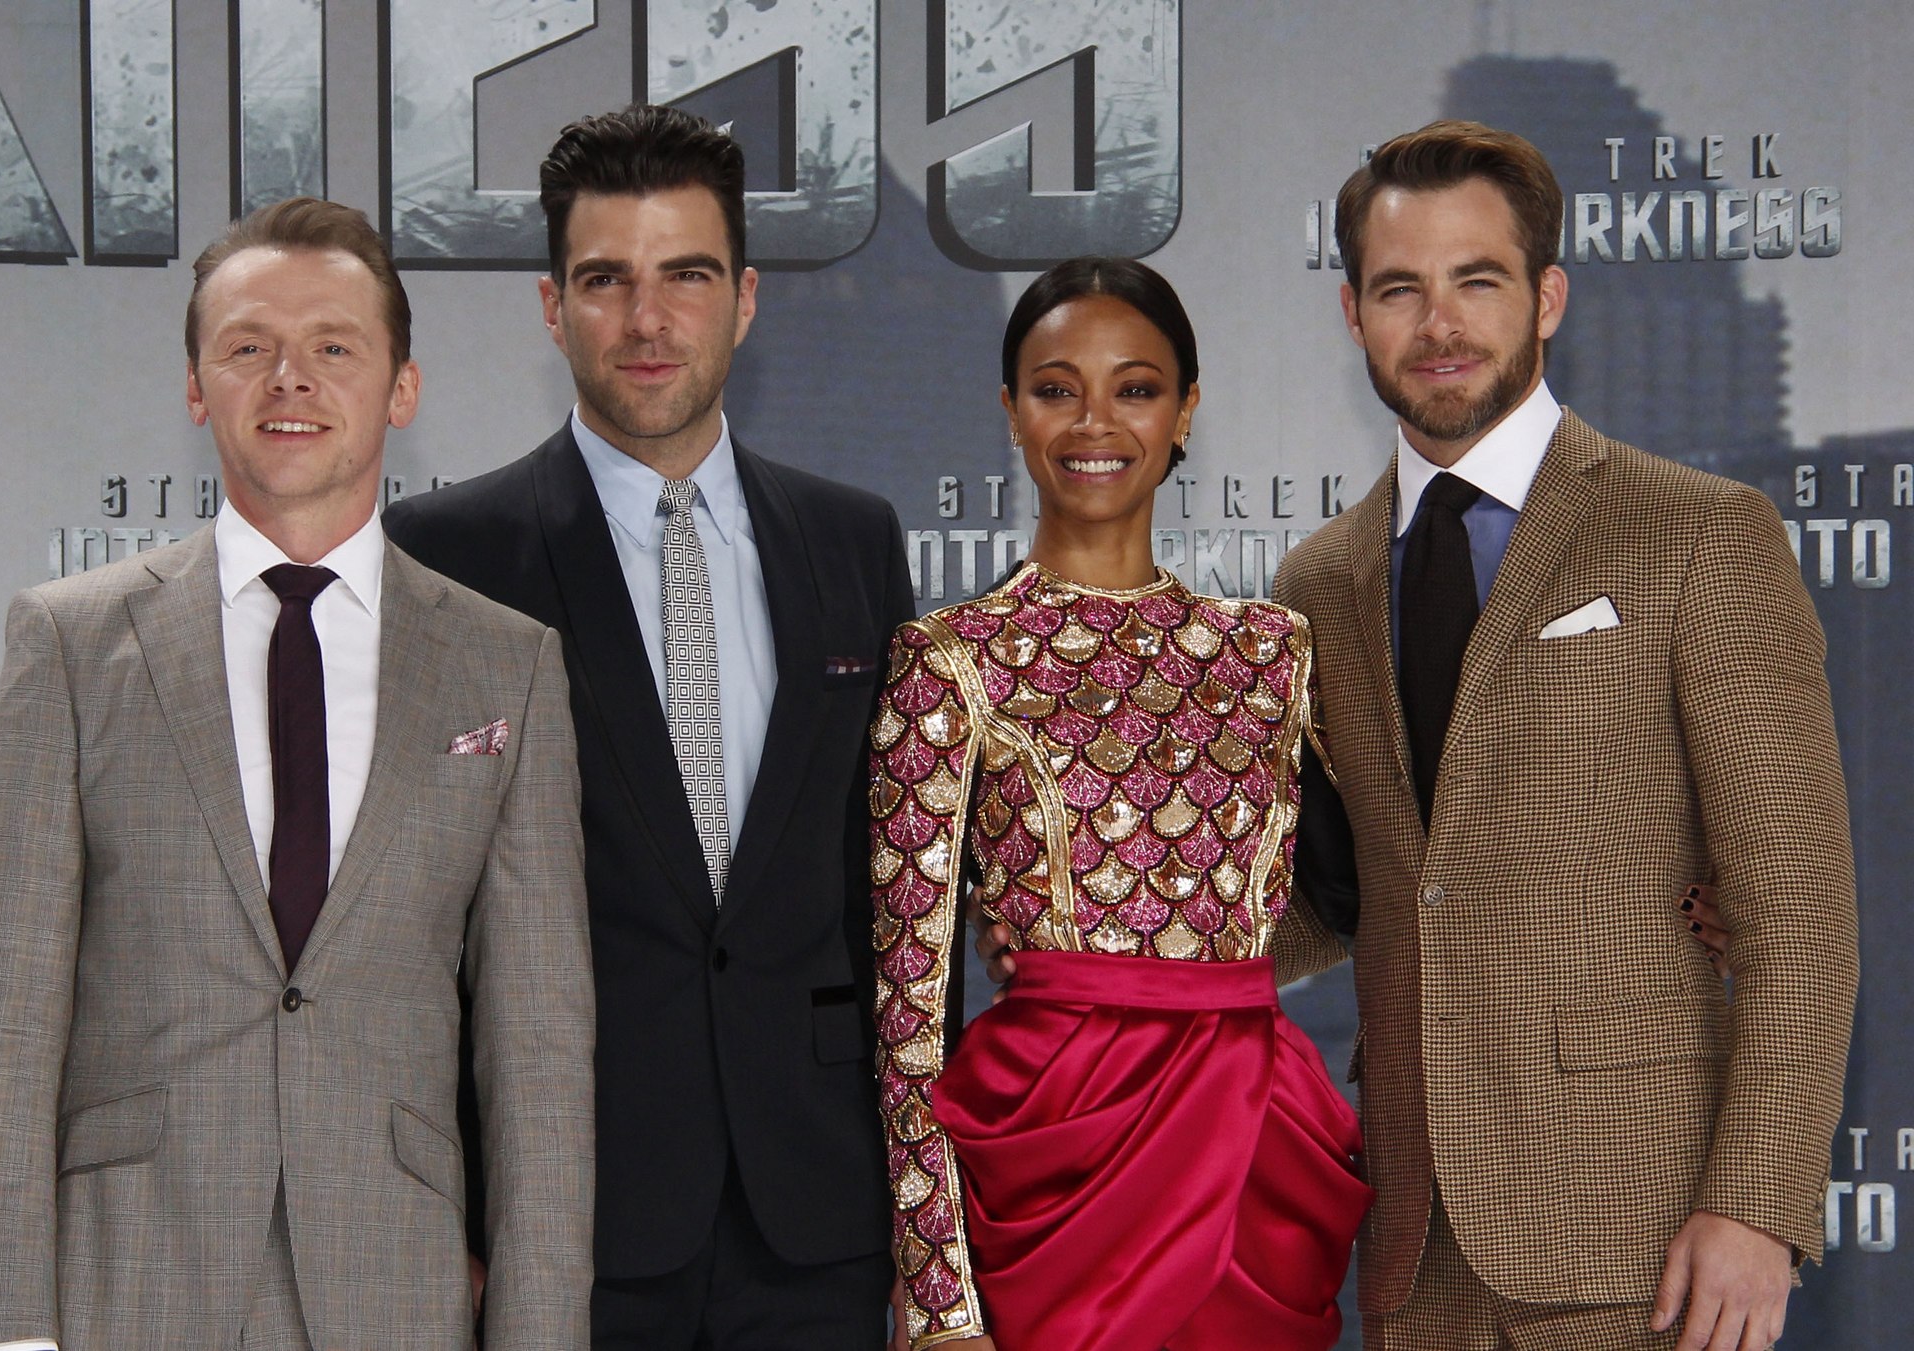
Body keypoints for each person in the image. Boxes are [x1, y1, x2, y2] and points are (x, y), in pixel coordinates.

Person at [0, 198, 595, 1351]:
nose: (290, 377)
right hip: (126, 1286)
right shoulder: (72, 643)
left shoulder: (507, 666)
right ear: (197, 388)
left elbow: (536, 1051)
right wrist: (3, 1334)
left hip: (393, 1287)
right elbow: (4, 1025)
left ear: (401, 388)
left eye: (333, 346)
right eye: (248, 347)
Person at [1268, 120, 1859, 1351]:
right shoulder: (1315, 581)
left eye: (1475, 280)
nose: (1438, 323)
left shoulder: (1697, 534)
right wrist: (1089, 925)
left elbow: (1795, 908)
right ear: (1351, 313)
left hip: (1642, 1240)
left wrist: (1754, 1204)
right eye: (1399, 288)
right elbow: (1349, 890)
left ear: (1545, 297)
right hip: (1411, 1243)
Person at [384, 105, 913, 1347]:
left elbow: (896, 902)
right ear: (550, 306)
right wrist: (452, 1211)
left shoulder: (853, 540)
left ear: (744, 299)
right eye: (604, 279)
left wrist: (919, 1213)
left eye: (686, 275)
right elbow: (409, 925)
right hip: (563, 1219)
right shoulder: (444, 556)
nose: (645, 319)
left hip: (823, 1214)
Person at [871, 256, 1371, 1351]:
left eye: (1134, 388)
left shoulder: (1271, 652)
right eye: (1057, 389)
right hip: (1048, 1159)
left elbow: (1381, 881)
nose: (1094, 421)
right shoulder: (949, 662)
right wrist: (941, 1301)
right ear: (1011, 411)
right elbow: (906, 1010)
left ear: (1185, 410)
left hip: (1253, 1149)